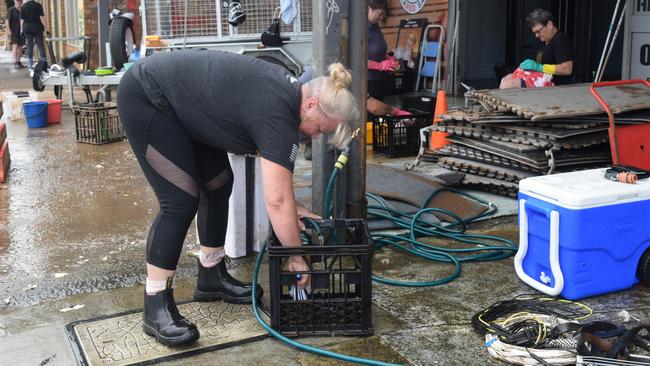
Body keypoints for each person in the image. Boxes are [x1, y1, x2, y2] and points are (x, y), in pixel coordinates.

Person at [116, 50, 357, 347]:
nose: (316, 136)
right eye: (320, 128)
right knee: (179, 200)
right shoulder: (279, 112)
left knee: (218, 183)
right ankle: (155, 305)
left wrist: (297, 208)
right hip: (148, 97)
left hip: (184, 107)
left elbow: (279, 188)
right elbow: (276, 200)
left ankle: (211, 275)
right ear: (310, 105)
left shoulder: (287, 98)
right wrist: (297, 259)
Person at [500, 9, 574, 89]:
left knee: (508, 85)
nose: (536, 35)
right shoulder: (545, 41)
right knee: (506, 79)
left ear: (549, 25)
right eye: (535, 32)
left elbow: (567, 69)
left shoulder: (561, 40)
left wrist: (540, 67)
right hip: (540, 78)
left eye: (538, 31)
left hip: (554, 85)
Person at [367, 0, 399, 103]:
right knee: (372, 113)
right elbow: (358, 59)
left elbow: (375, 50)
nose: (382, 18)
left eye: (383, 15)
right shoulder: (362, 29)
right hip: (367, 80)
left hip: (379, 79)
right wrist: (380, 66)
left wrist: (387, 58)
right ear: (370, 9)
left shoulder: (375, 25)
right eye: (380, 14)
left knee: (380, 113)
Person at [20, 0, 47, 74]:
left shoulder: (23, 6)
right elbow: (41, 18)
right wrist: (46, 29)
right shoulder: (38, 5)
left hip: (27, 27)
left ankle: (30, 66)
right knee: (40, 45)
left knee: (30, 46)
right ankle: (44, 64)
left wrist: (21, 30)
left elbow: (22, 20)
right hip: (37, 27)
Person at [4, 0, 23, 69]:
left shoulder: (23, 10)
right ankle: (15, 62)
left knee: (20, 47)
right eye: (17, 1)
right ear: (15, 1)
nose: (19, 3)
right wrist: (8, 30)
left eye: (20, 1)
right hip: (14, 31)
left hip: (22, 32)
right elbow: (7, 21)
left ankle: (18, 61)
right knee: (15, 46)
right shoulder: (11, 10)